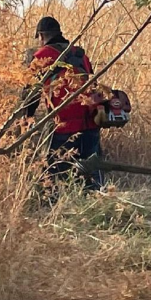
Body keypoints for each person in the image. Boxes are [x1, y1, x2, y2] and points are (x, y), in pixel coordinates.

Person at [26, 16, 104, 192]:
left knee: (54, 172)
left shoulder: (41, 56)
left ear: (41, 35)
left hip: (63, 124)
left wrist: (28, 117)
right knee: (92, 171)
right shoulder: (79, 54)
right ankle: (96, 201)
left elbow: (31, 93)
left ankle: (52, 204)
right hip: (90, 121)